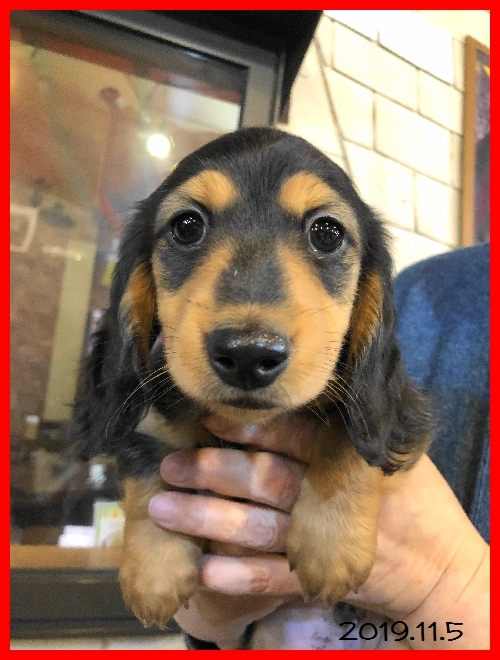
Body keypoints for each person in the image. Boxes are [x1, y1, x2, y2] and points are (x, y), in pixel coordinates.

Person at [148, 244, 490, 650]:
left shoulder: (405, 293)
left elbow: (375, 414)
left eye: (324, 236)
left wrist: (449, 584)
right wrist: (214, 621)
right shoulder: (418, 289)